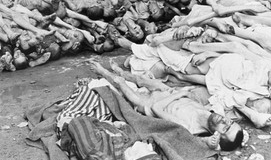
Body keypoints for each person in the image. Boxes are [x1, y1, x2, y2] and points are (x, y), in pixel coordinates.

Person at [90, 61, 244, 151]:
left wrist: (180, 93)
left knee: (120, 83)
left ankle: (102, 71)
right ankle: (120, 71)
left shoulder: (188, 127)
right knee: (140, 79)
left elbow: (157, 108)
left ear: (216, 135)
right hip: (166, 93)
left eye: (225, 127)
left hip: (146, 103)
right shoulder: (209, 112)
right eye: (230, 122)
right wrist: (178, 92)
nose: (225, 120)